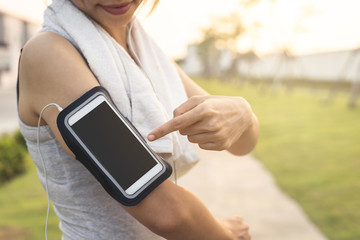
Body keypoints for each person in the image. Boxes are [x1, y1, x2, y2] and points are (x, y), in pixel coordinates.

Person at [17, 0, 259, 239]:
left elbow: (242, 144)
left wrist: (244, 113)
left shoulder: (145, 53)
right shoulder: (48, 54)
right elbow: (164, 211)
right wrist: (224, 234)